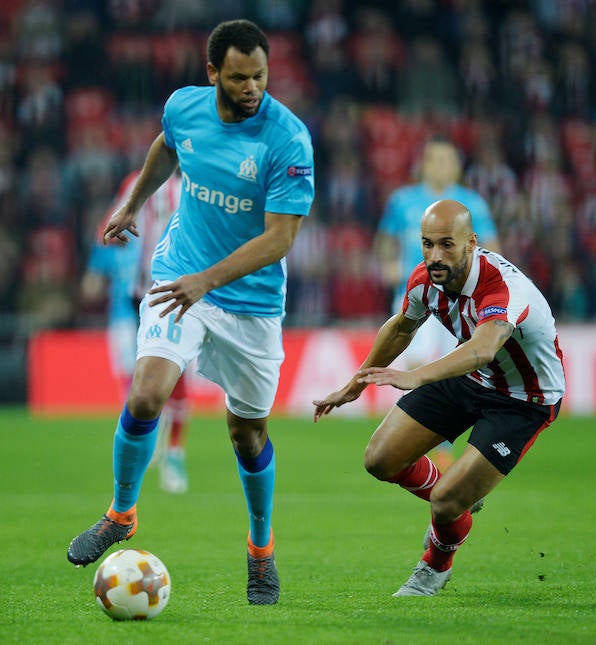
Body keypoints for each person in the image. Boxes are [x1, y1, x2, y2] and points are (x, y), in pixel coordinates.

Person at [66, 20, 315, 607]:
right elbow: (166, 148)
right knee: (146, 393)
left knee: (247, 434)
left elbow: (279, 240)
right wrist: (132, 205)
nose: (251, 86)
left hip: (250, 304)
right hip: (178, 276)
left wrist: (208, 281)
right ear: (212, 74)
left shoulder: (288, 140)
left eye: (259, 75)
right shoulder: (184, 107)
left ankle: (260, 551)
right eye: (238, 77)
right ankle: (121, 513)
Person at [314, 199, 564, 597]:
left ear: (472, 243)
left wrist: (413, 376)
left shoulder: (503, 287)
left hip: (523, 399)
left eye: (447, 244)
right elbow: (401, 328)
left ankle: (435, 564)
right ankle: (456, 502)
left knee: (445, 504)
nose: (435, 255)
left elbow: (482, 348)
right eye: (427, 244)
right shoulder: (424, 280)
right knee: (379, 458)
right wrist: (356, 383)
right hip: (473, 377)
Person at [375, 137, 500, 471]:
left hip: (459, 297)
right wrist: (387, 263)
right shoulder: (402, 200)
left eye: (448, 160)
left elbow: (492, 247)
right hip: (415, 293)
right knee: (414, 361)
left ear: (457, 166)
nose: (441, 166)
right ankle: (419, 434)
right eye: (435, 159)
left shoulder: (471, 202)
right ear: (424, 163)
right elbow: (385, 239)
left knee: (451, 365)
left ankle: (439, 446)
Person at [81, 170, 191, 494]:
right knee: (136, 379)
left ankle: (174, 452)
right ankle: (146, 446)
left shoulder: (202, 184)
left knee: (176, 371)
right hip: (132, 294)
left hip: (176, 290)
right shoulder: (136, 182)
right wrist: (99, 261)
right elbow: (109, 225)